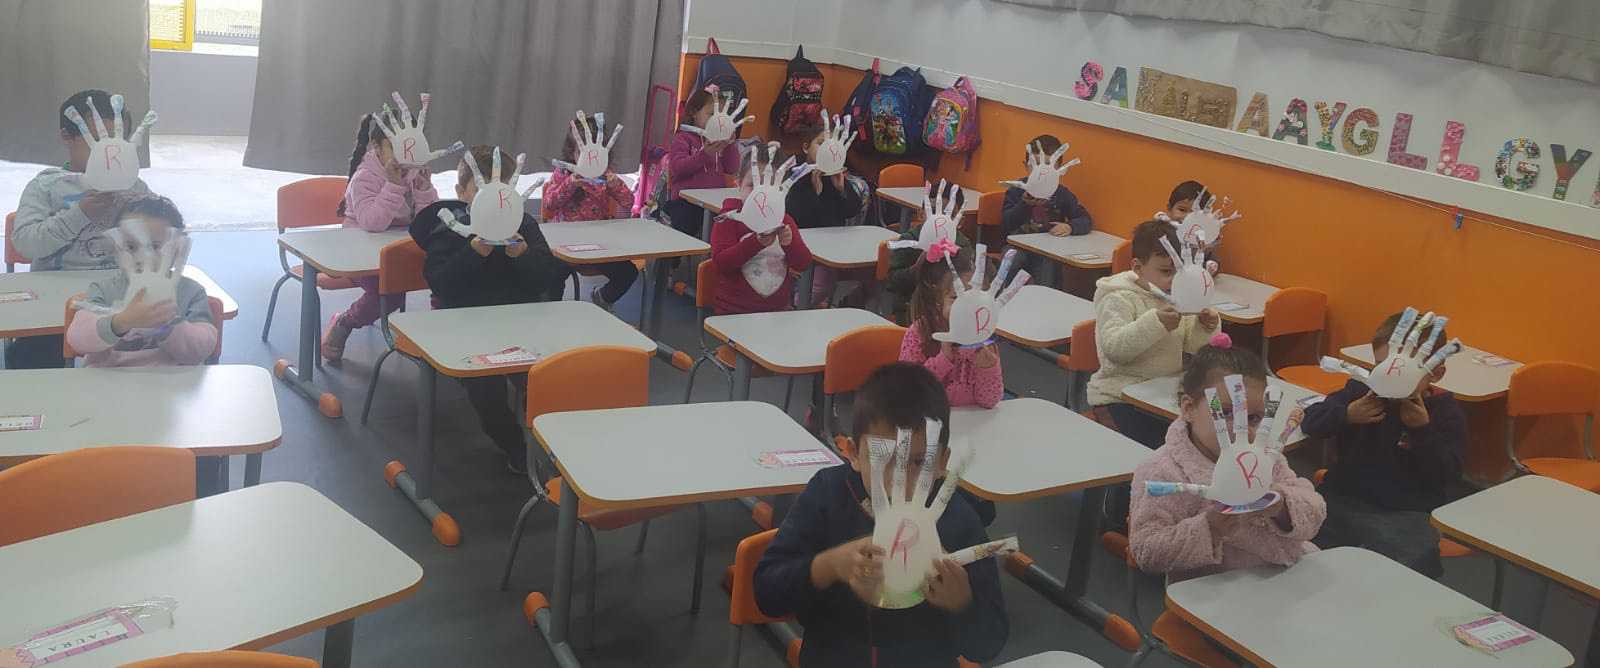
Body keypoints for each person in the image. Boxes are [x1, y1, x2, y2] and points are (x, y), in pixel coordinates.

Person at [754, 362, 1008, 667]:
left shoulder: (958, 520)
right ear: (853, 453)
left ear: (943, 461)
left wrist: (962, 603)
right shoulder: (827, 496)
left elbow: (989, 644)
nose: (899, 482)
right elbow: (767, 595)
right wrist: (830, 565)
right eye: (883, 460)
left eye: (919, 462)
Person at [410, 146, 567, 475]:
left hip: (520, 322)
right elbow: (440, 284)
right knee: (487, 389)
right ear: (461, 193)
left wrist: (522, 255)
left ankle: (552, 443)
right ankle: (515, 447)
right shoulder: (450, 229)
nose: (495, 200)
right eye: (481, 190)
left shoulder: (523, 225)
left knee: (548, 376)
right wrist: (473, 252)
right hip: (467, 328)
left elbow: (547, 277)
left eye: (503, 190)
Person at [1128, 336, 1326, 582]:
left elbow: (1314, 512)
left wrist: (1280, 505)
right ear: (1188, 408)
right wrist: (1210, 527)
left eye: (1253, 418)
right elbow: (1147, 552)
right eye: (1226, 413)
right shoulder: (1160, 471)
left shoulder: (1264, 458)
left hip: (1283, 573)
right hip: (1214, 589)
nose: (1239, 427)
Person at [1304, 312, 1466, 578]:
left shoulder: (1444, 412)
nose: (1389, 378)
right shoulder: (1360, 392)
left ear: (1435, 374)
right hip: (1343, 496)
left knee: (1407, 569)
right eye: (1381, 366)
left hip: (1404, 512)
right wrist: (1346, 415)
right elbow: (1311, 422)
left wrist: (1422, 432)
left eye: (1403, 373)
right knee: (1297, 545)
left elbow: (1448, 474)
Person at [8, 90, 152, 369]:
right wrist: (80, 214)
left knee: (145, 357)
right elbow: (26, 243)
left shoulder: (136, 188)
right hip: (54, 305)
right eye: (95, 141)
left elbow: (161, 242)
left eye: (118, 142)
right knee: (32, 361)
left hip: (116, 304)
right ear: (67, 137)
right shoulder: (46, 186)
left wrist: (143, 226)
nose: (109, 155)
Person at [1088, 220, 1220, 448]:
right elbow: (1115, 350)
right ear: (1138, 267)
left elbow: (1194, 347)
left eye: (1180, 272)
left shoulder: (1178, 297)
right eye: (1166, 271)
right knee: (1153, 451)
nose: (1174, 280)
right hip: (1118, 396)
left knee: (1197, 443)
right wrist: (1155, 323)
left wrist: (1206, 326)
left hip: (1163, 396)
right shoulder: (1117, 297)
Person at [321, 111, 440, 365]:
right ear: (377, 147)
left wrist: (424, 190)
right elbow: (372, 223)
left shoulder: (414, 173)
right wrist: (394, 185)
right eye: (395, 147)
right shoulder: (365, 177)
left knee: (443, 277)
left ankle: (437, 339)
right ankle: (345, 322)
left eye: (411, 146)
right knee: (389, 294)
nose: (405, 154)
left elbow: (428, 222)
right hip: (359, 254)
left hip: (398, 250)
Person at [65, 195, 216, 367]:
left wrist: (168, 325)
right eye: (131, 247)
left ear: (177, 249)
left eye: (155, 246)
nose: (143, 256)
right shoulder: (104, 290)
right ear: (116, 247)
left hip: (171, 380)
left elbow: (201, 350)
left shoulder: (191, 292)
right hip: (111, 378)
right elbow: (78, 340)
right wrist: (120, 322)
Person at [541, 113, 638, 311]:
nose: (590, 160)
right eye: (582, 154)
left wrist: (615, 184)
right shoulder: (563, 173)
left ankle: (602, 297)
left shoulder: (606, 175)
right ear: (572, 153)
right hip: (565, 244)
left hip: (597, 244)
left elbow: (629, 202)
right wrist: (570, 184)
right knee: (552, 276)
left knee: (628, 272)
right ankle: (550, 312)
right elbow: (549, 205)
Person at [709, 145, 812, 315]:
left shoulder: (784, 221)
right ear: (738, 184)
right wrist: (755, 243)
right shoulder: (728, 219)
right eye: (753, 185)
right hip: (733, 313)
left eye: (770, 188)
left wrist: (789, 243)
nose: (760, 196)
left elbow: (803, 263)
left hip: (777, 313)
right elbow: (721, 263)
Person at [898, 247, 1002, 409]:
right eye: (956, 297)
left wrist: (987, 368)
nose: (968, 308)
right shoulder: (919, 333)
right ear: (938, 299)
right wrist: (943, 359)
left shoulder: (984, 338)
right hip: (928, 418)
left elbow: (989, 401)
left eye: (977, 298)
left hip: (970, 422)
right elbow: (909, 393)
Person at [787, 125, 866, 307]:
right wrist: (815, 193)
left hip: (832, 246)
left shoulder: (834, 175)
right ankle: (796, 307)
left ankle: (815, 303)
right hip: (805, 248)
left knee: (831, 281)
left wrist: (842, 189)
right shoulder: (797, 176)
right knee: (819, 285)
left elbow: (852, 209)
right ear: (806, 147)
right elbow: (797, 218)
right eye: (821, 143)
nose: (826, 150)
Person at [884, 184, 974, 322]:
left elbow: (969, 284)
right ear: (921, 215)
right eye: (933, 211)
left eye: (949, 214)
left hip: (951, 312)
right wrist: (918, 267)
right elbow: (893, 283)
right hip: (910, 310)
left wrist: (959, 259)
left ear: (960, 221)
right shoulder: (909, 240)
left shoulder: (962, 244)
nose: (939, 221)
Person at [661, 86, 741, 239]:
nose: (717, 120)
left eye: (721, 116)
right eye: (711, 114)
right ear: (694, 112)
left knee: (729, 224)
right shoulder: (683, 138)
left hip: (714, 202)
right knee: (683, 227)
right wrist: (704, 154)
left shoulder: (719, 140)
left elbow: (732, 168)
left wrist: (730, 144)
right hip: (686, 202)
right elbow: (677, 168)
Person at [1000, 133, 1093, 239]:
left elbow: (1085, 220)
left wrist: (1070, 227)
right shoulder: (1017, 190)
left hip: (1049, 245)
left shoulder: (1062, 194)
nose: (1042, 172)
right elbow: (1006, 225)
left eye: (1048, 165)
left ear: (1059, 168)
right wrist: (1025, 204)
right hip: (1018, 245)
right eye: (1036, 164)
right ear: (1026, 166)